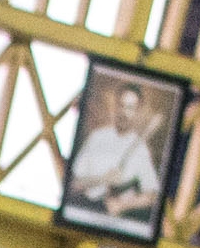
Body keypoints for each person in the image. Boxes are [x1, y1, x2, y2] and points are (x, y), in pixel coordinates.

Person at [67, 76, 167, 222]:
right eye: (121, 105)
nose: (124, 112)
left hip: (116, 220)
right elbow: (72, 183)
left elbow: (152, 194)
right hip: (84, 210)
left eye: (130, 107)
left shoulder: (140, 149)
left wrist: (122, 204)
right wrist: (102, 179)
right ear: (115, 106)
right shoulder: (97, 137)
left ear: (137, 111)